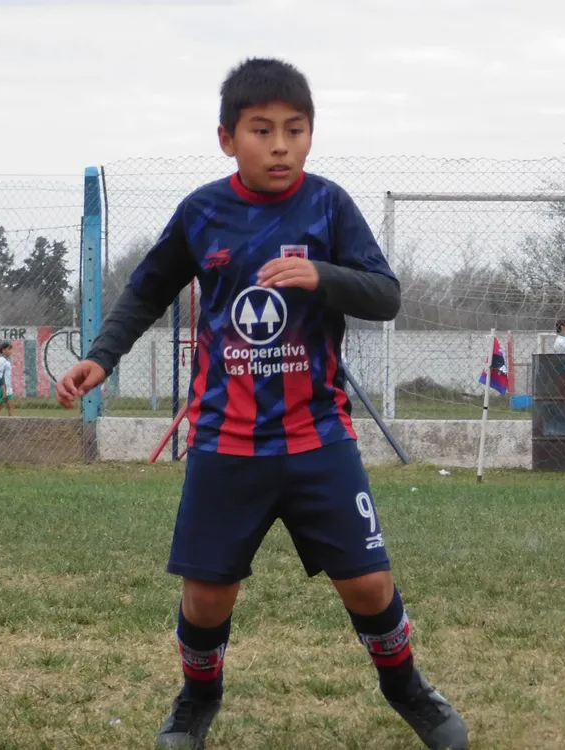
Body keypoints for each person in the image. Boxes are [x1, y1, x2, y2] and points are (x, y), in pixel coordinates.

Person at [55, 58, 468, 750]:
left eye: (296, 130)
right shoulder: (201, 213)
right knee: (207, 596)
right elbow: (147, 291)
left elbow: (385, 294)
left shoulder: (329, 206)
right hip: (226, 442)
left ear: (310, 134)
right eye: (262, 130)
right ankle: (196, 700)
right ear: (227, 139)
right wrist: (101, 357)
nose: (281, 145)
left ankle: (408, 690)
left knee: (368, 585)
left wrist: (322, 275)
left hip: (318, 438)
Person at [0, 342, 15, 417]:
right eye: (9, 349)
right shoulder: (1, 361)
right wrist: (3, 391)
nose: (11, 351)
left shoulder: (7, 361)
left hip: (8, 387)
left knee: (11, 407)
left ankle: (12, 426)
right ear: (3, 350)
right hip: (2, 388)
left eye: (11, 349)